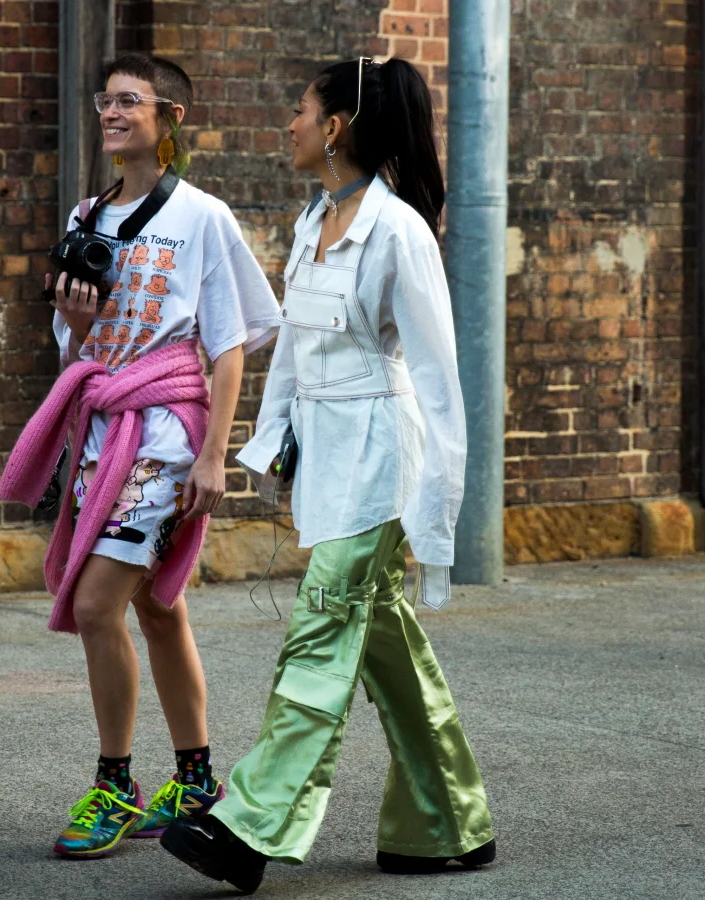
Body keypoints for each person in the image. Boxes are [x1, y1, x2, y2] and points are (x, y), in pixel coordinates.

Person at [160, 57, 495, 893]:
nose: (291, 124)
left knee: (321, 625)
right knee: (382, 638)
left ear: (336, 126)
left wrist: (437, 506)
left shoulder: (399, 232)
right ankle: (448, 819)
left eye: (302, 109)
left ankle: (250, 824)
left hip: (382, 460)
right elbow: (295, 353)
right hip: (327, 456)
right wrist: (272, 443)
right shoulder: (313, 222)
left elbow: (440, 380)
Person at [0, 52, 279, 858]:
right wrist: (77, 320)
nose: (112, 114)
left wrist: (214, 456)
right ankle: (195, 778)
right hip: (103, 430)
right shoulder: (86, 215)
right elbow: (77, 347)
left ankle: (114, 785)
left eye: (130, 101)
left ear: (169, 118)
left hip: (165, 434)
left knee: (96, 606)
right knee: (156, 606)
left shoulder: (202, 216)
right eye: (106, 101)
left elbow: (229, 344)